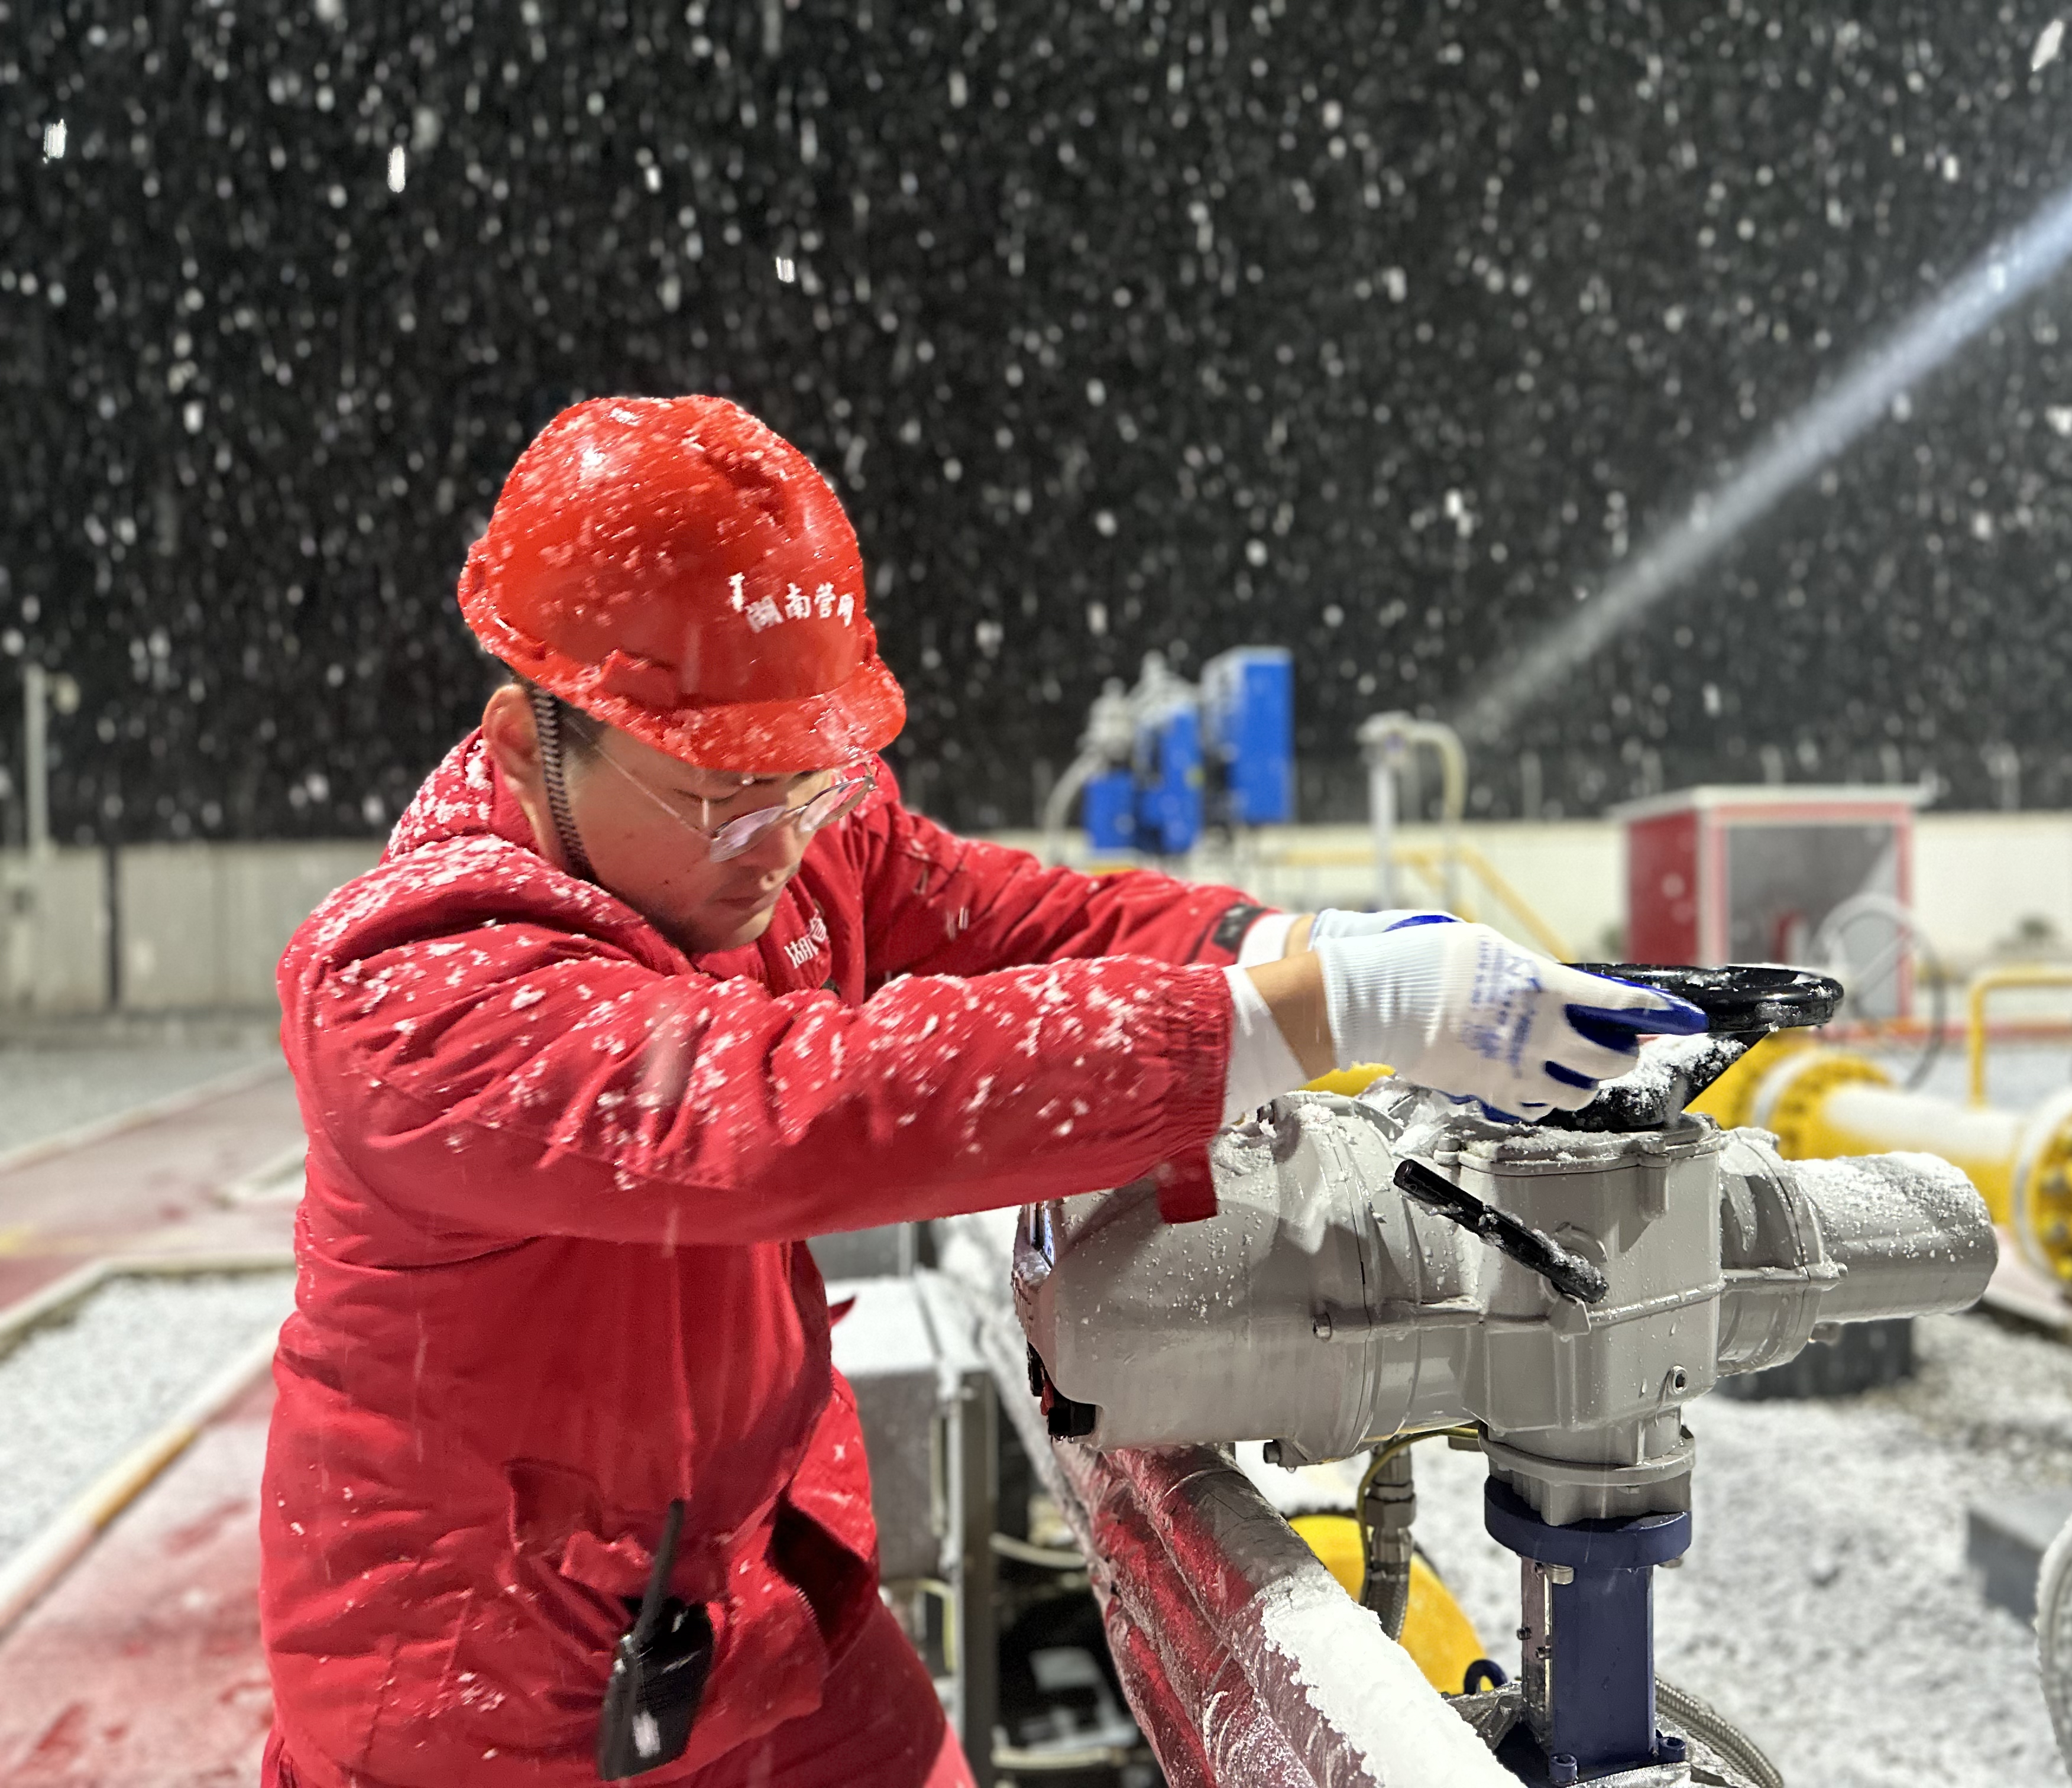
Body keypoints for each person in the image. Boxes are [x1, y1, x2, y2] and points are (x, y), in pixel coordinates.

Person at [256, 396, 1702, 1788]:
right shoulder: (412, 984)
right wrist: (1314, 1015)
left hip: (750, 1606)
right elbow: (788, 1108)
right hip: (489, 1697)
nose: (785, 840)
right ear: (529, 746)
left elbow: (1017, 922)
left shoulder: (770, 837)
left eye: (814, 780)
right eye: (725, 791)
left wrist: (1294, 944)